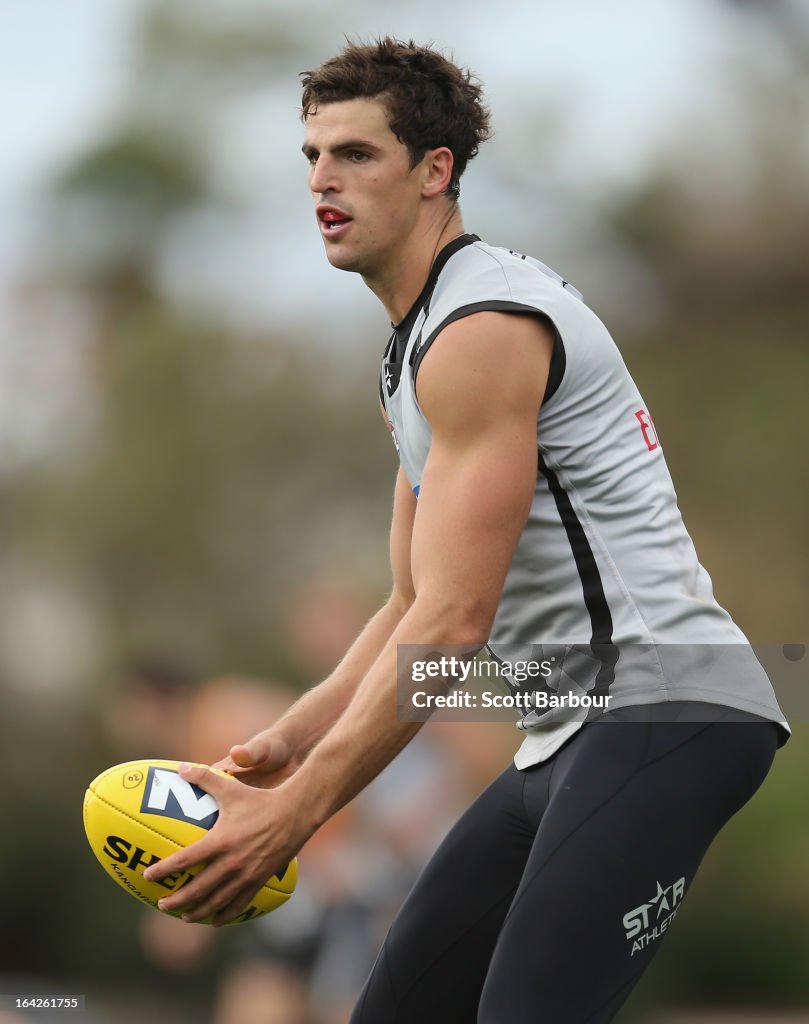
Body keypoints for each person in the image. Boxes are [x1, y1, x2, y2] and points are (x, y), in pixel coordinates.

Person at [144, 38, 790, 1022]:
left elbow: (450, 625)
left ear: (434, 169)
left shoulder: (480, 330)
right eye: (312, 155)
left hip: (667, 708)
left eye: (356, 154)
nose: (323, 179)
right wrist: (284, 740)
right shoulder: (412, 353)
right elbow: (408, 598)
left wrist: (298, 813)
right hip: (566, 726)